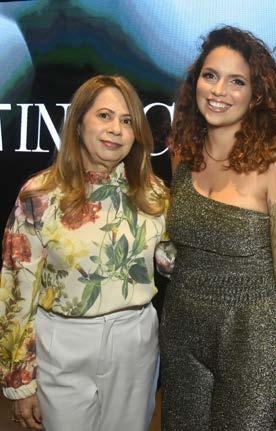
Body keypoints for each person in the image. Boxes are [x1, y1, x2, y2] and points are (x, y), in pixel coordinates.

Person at [0, 75, 174, 431]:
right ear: (78, 123)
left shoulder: (154, 195)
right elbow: (16, 289)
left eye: (127, 121)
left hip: (135, 343)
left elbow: (173, 264)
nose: (116, 130)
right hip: (61, 345)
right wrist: (19, 379)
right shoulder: (39, 195)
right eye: (104, 116)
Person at [160, 26, 276, 430]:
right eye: (210, 76)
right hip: (181, 328)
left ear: (256, 94)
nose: (219, 90)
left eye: (236, 81)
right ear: (196, 82)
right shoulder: (183, 152)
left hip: (251, 335)